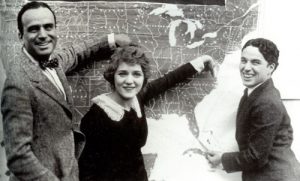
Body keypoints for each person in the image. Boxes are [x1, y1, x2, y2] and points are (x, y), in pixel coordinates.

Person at [1, 1, 132, 181]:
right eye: (33, 29)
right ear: (20, 35)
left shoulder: (53, 62)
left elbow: (76, 53)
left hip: (67, 170)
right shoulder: (18, 83)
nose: (43, 35)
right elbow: (18, 158)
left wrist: (110, 40)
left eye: (48, 27)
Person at [78, 45, 216, 181]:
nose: (129, 81)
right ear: (112, 76)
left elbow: (168, 80)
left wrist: (200, 62)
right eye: (122, 73)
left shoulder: (137, 98)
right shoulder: (96, 116)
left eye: (136, 74)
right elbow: (86, 171)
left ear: (143, 78)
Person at [206, 38, 300, 181]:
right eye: (244, 60)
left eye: (255, 62)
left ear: (271, 67)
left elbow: (256, 158)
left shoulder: (267, 102)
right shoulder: (255, 92)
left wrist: (222, 160)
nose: (246, 68)